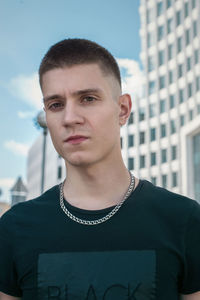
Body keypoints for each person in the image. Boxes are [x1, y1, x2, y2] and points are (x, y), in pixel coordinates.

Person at [0, 39, 200, 300]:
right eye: (56, 104)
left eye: (88, 98)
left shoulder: (184, 220)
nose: (70, 118)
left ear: (123, 109)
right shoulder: (15, 228)